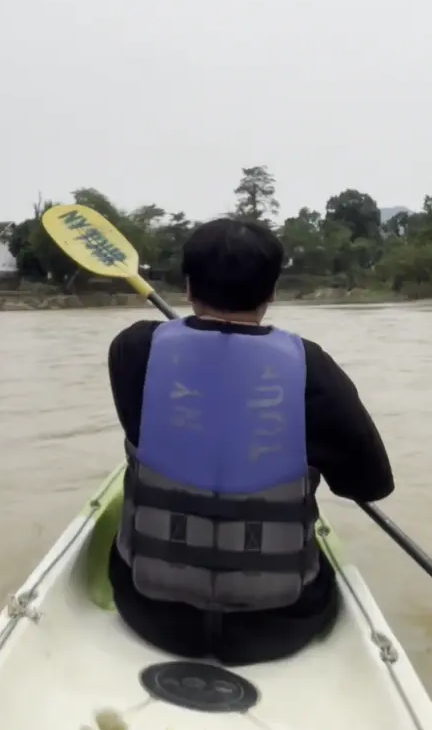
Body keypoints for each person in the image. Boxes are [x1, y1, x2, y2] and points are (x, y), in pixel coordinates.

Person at [107, 217, 394, 665]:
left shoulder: (134, 349)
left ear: (187, 286)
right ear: (272, 292)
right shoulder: (311, 368)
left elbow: (149, 416)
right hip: (281, 624)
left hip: (151, 612)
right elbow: (371, 484)